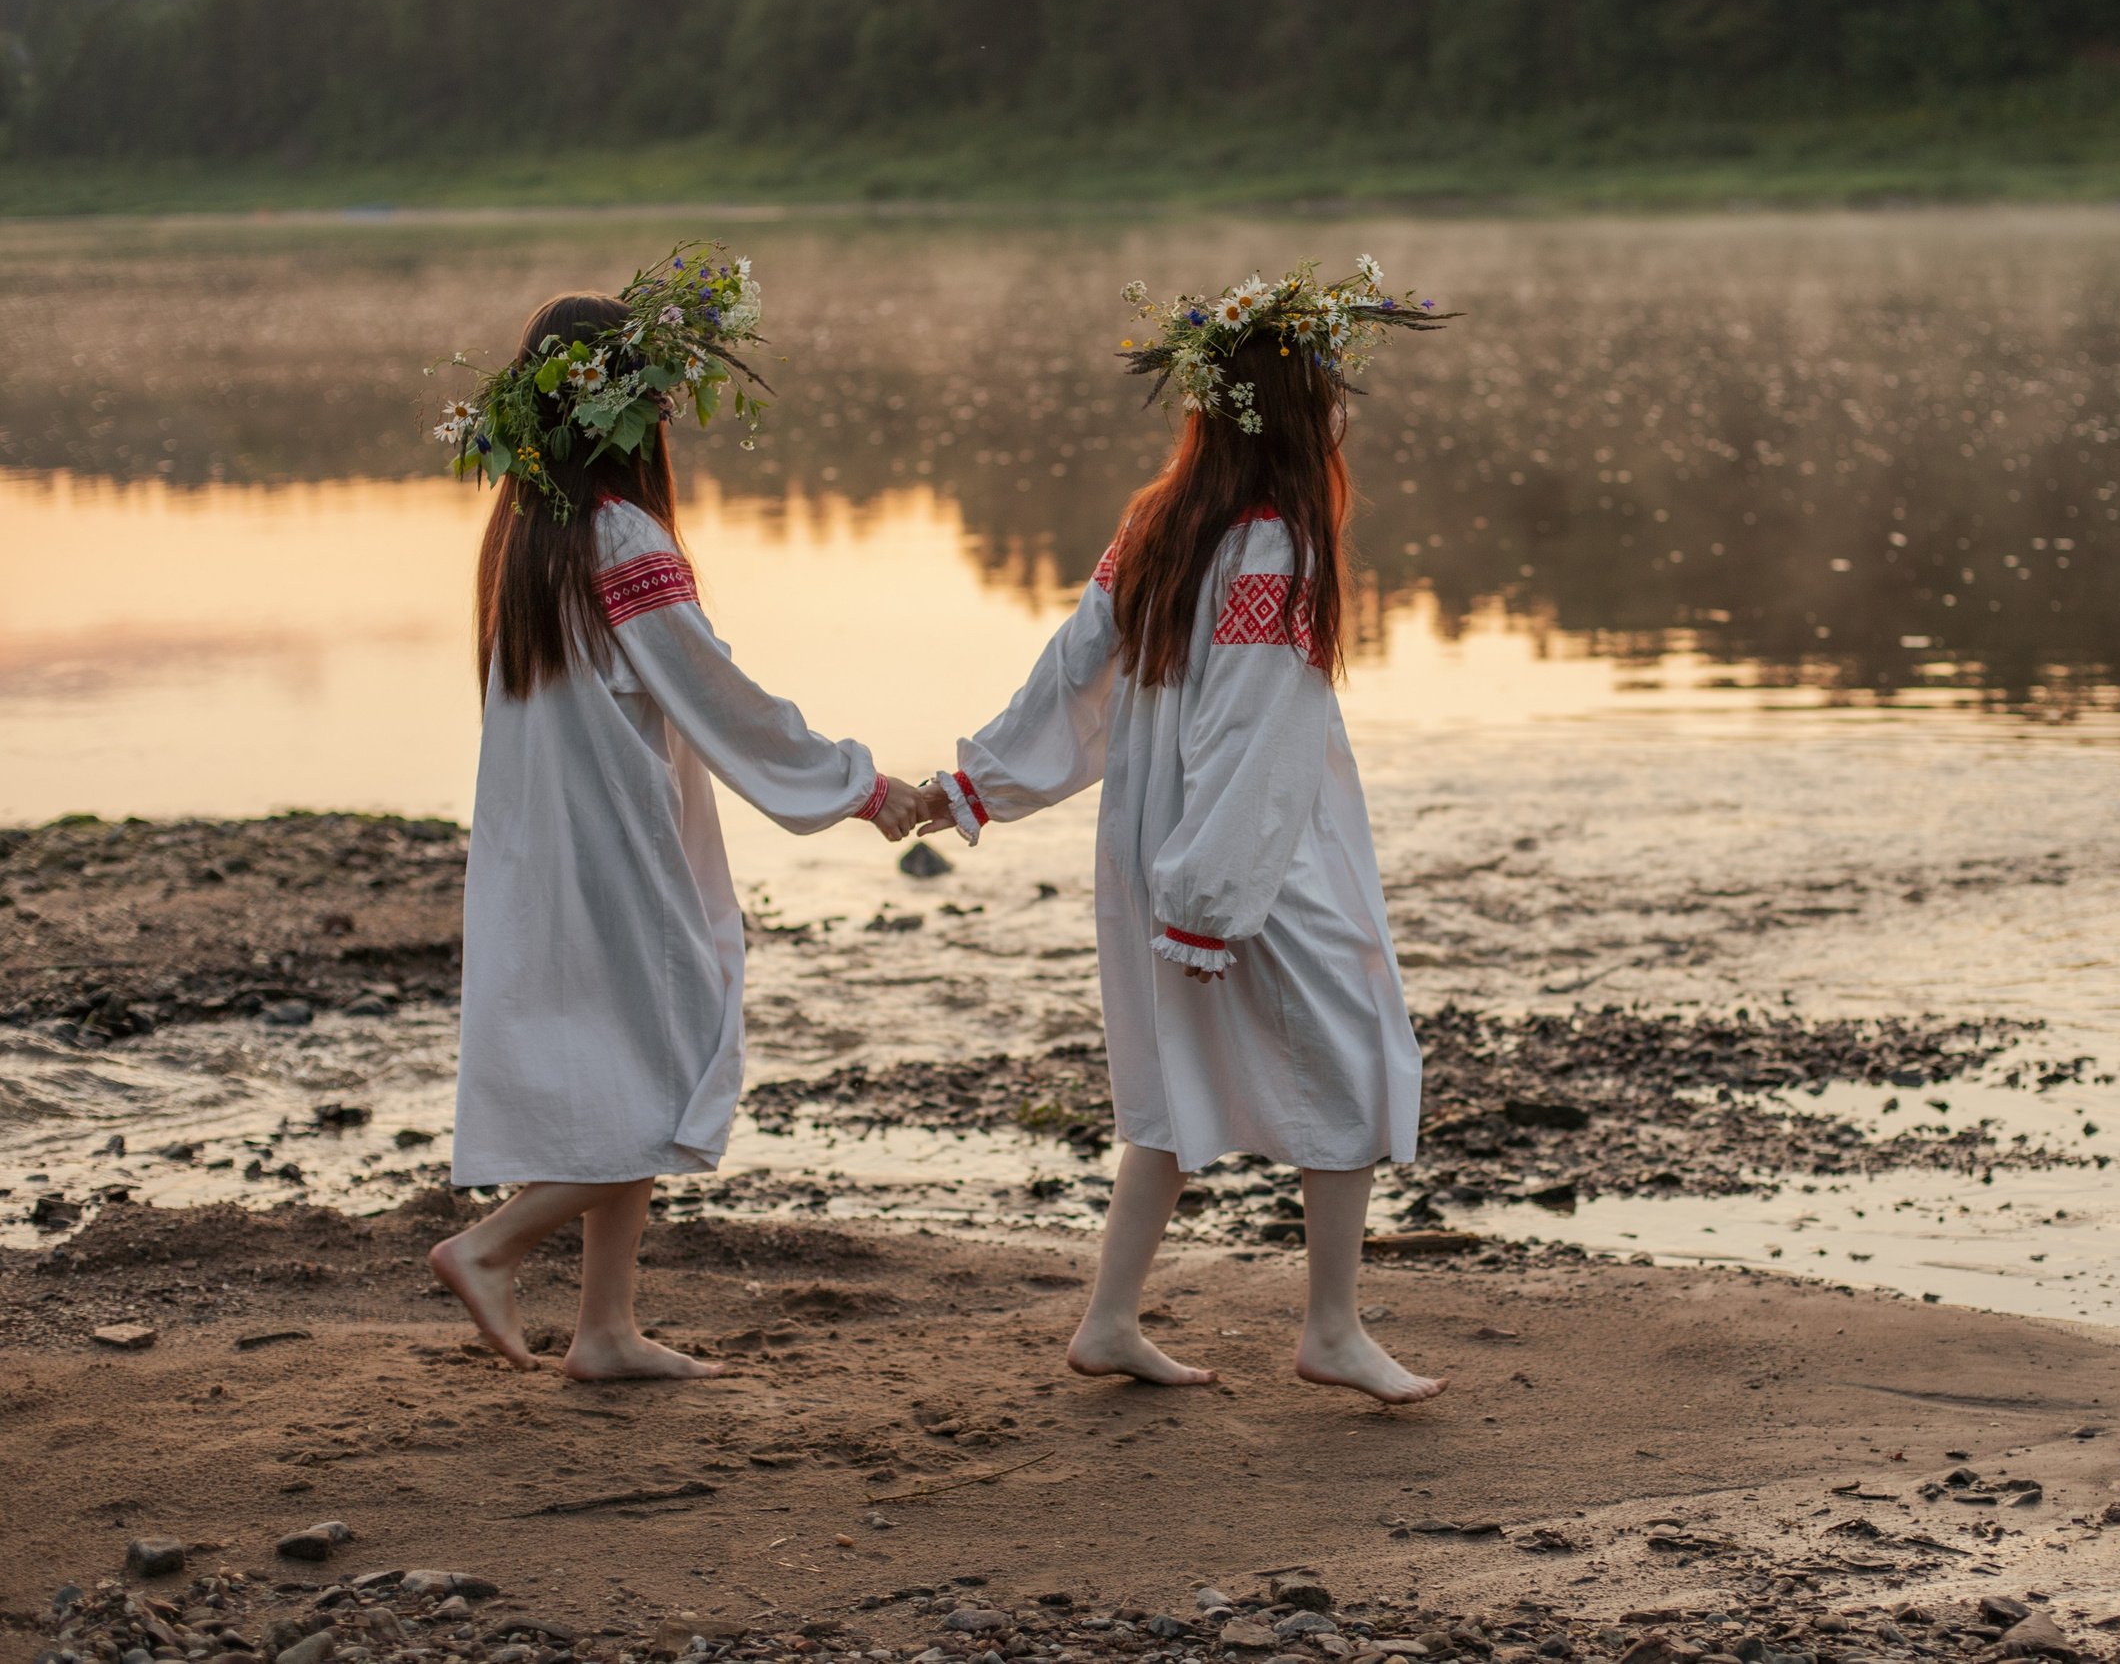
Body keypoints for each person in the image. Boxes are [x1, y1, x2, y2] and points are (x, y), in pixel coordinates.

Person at [922, 258, 1454, 1404]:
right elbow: (1251, 731)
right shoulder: (1276, 545)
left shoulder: (1157, 521)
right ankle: (1330, 1328)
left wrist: (977, 784)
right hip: (1243, 847)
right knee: (1358, 1049)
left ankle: (1110, 1319)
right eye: (1328, 392)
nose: (1342, 413)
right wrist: (1210, 899)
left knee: (1175, 1073)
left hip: (1161, 835)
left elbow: (1069, 674)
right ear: (1294, 413)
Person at [424, 251, 931, 1381]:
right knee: (674, 1055)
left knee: (620, 1058)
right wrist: (862, 787)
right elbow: (718, 697)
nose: (666, 415)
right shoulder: (620, 535)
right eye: (654, 394)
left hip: (548, 837)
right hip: (615, 840)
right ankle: (492, 1246)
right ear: (615, 406)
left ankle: (604, 1328)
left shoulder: (531, 533)